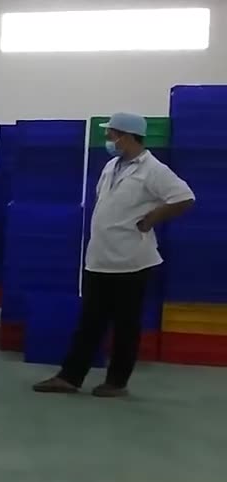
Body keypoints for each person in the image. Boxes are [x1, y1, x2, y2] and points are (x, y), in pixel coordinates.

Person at [34, 113, 194, 398]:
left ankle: (117, 382)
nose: (108, 139)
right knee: (89, 322)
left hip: (131, 260)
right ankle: (69, 377)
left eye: (112, 134)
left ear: (128, 135)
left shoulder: (153, 169)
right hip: (101, 257)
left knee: (126, 324)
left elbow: (184, 197)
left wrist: (153, 217)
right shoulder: (111, 166)